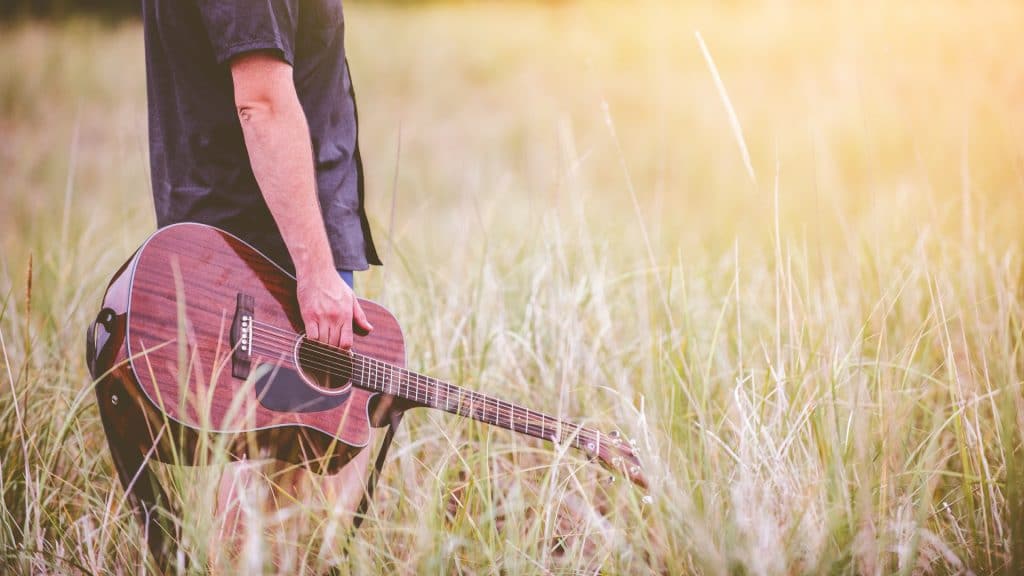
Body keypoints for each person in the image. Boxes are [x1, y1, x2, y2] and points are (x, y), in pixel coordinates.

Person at [141, 0, 382, 568]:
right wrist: (318, 274)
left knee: (291, 474)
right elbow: (263, 104)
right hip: (267, 253)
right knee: (268, 469)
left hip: (270, 243)